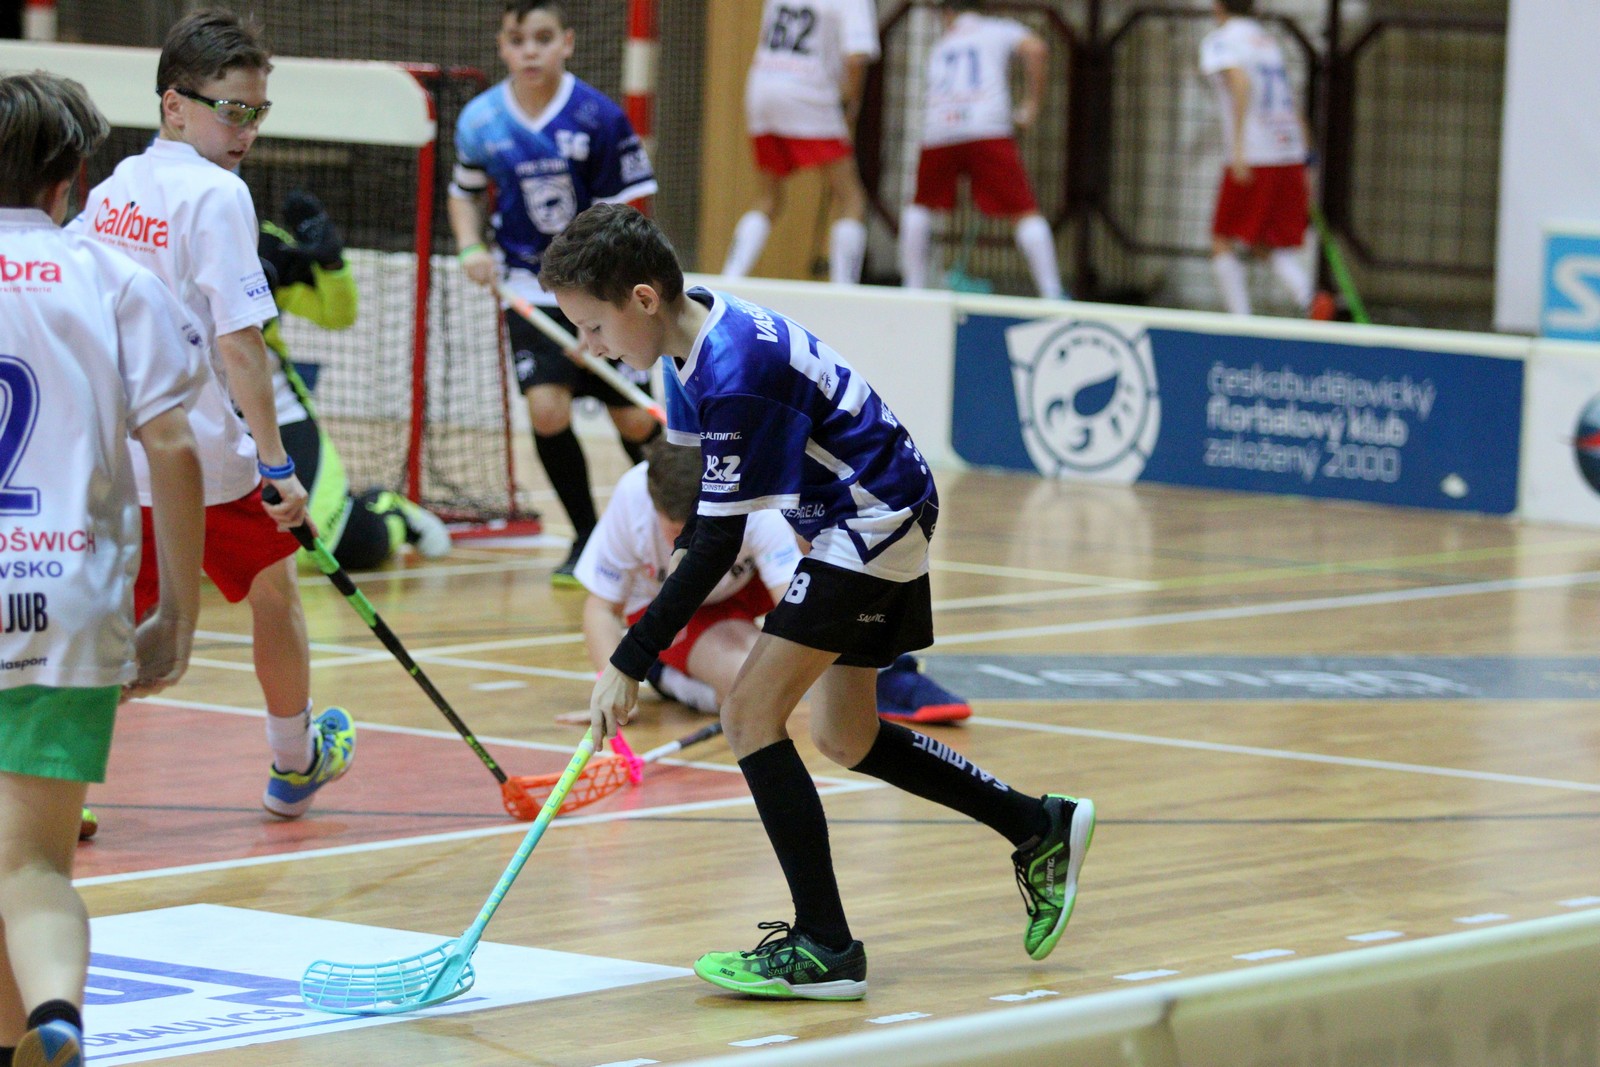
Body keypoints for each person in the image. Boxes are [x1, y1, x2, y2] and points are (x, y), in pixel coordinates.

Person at [543, 203, 1093, 1000]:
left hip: (869, 521)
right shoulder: (689, 340)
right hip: (861, 513)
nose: (588, 347)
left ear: (643, 299)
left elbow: (718, 541)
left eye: (593, 327)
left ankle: (825, 944)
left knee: (748, 715)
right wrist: (634, 648)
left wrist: (631, 658)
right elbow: (699, 509)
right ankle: (1037, 825)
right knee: (845, 734)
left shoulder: (733, 370)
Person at [73, 7, 356, 819]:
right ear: (174, 105)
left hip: (113, 457)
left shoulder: (113, 189)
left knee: (105, 626)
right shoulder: (219, 194)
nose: (247, 130)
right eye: (232, 110)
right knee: (275, 594)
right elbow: (241, 344)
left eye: (257, 112)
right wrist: (276, 463)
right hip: (202, 457)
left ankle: (56, 788)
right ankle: (293, 762)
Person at [0, 71, 207, 1067]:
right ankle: (55, 1017)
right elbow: (172, 445)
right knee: (31, 866)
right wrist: (177, 611)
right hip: (66, 596)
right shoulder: (113, 280)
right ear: (72, 177)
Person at [450, 0, 661, 586]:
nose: (530, 51)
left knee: (634, 420)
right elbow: (463, 192)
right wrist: (469, 246)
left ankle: (679, 525)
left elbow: (625, 217)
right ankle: (588, 537)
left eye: (543, 38)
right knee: (546, 409)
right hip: (528, 287)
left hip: (603, 287)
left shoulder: (599, 117)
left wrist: (593, 321)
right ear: (502, 46)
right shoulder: (481, 119)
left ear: (566, 42)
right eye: (518, 40)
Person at [570, 440, 971, 724]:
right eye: (674, 531)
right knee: (748, 685)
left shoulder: (747, 498)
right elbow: (601, 607)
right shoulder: (632, 498)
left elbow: (796, 606)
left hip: (748, 583)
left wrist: (862, 659)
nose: (684, 543)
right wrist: (611, 684)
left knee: (817, 551)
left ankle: (888, 672)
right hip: (672, 607)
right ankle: (665, 674)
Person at [257, 190, 452, 569]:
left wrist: (331, 264)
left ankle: (389, 511)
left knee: (319, 545)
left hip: (273, 414)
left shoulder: (262, 246)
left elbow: (338, 315)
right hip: (183, 416)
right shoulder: (144, 236)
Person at [897, 0, 1065, 300]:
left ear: (948, 11)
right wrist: (1030, 105)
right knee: (1023, 210)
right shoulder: (997, 30)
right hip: (987, 127)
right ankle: (1052, 293)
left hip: (939, 129)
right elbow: (1037, 49)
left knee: (921, 204)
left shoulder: (941, 45)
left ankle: (912, 289)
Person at [720, 0, 879, 285]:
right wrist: (850, 106)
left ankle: (730, 278)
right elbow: (856, 57)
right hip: (808, 91)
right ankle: (845, 290)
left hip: (762, 87)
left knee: (768, 197)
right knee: (850, 197)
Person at [1200, 0, 1333, 319]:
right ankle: (1310, 298)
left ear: (1218, 6)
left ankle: (1241, 323)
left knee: (1222, 238)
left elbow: (1240, 82)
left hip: (1256, 153)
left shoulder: (1221, 40)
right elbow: (1290, 99)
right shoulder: (1266, 41)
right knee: (1263, 238)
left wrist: (1239, 148)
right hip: (1288, 151)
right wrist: (1306, 154)